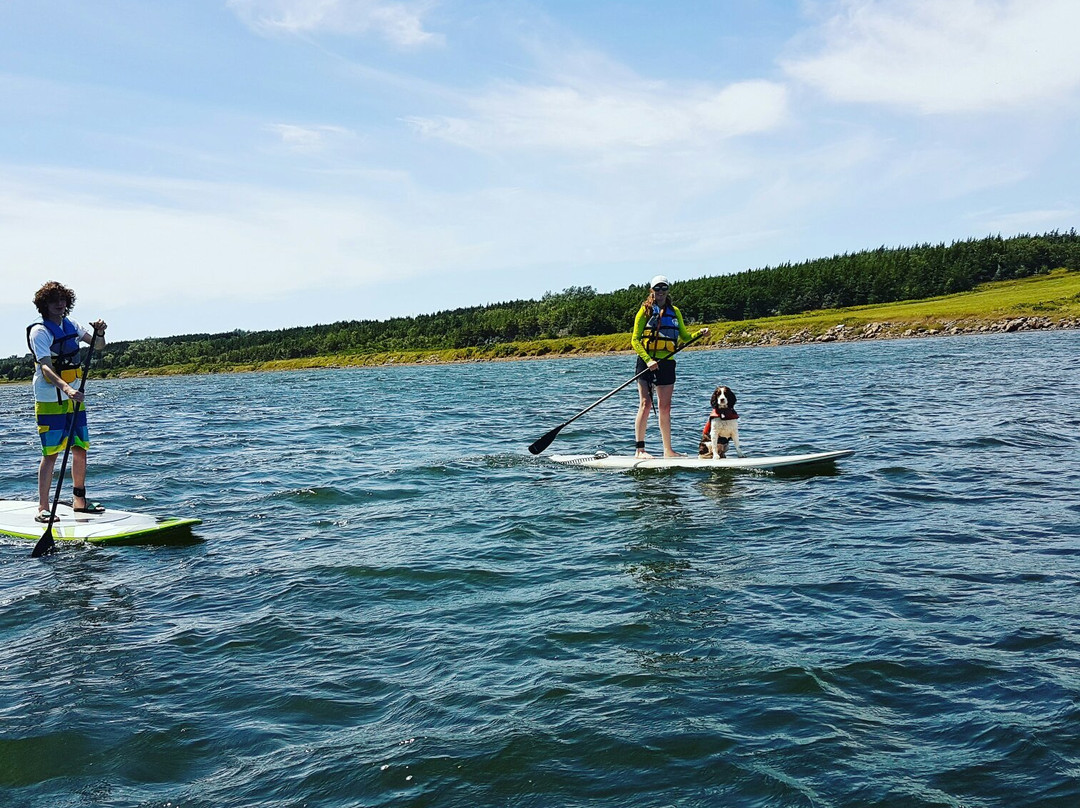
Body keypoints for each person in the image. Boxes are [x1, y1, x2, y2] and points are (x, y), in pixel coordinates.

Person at [28, 281, 108, 522]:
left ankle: (79, 501)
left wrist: (100, 332)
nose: (60, 304)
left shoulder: (72, 325)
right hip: (50, 398)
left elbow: (99, 345)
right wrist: (66, 388)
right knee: (51, 452)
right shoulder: (40, 331)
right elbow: (45, 367)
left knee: (80, 447)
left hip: (75, 396)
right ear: (45, 305)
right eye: (54, 300)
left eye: (63, 299)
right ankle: (43, 508)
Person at [630, 275, 708, 458]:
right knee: (645, 404)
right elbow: (635, 340)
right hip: (646, 362)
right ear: (652, 291)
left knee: (665, 407)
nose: (660, 292)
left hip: (667, 363)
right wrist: (648, 360)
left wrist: (700, 333)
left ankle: (668, 451)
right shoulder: (645, 311)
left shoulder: (675, 311)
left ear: (667, 290)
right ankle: (640, 450)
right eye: (657, 289)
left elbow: (685, 337)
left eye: (663, 289)